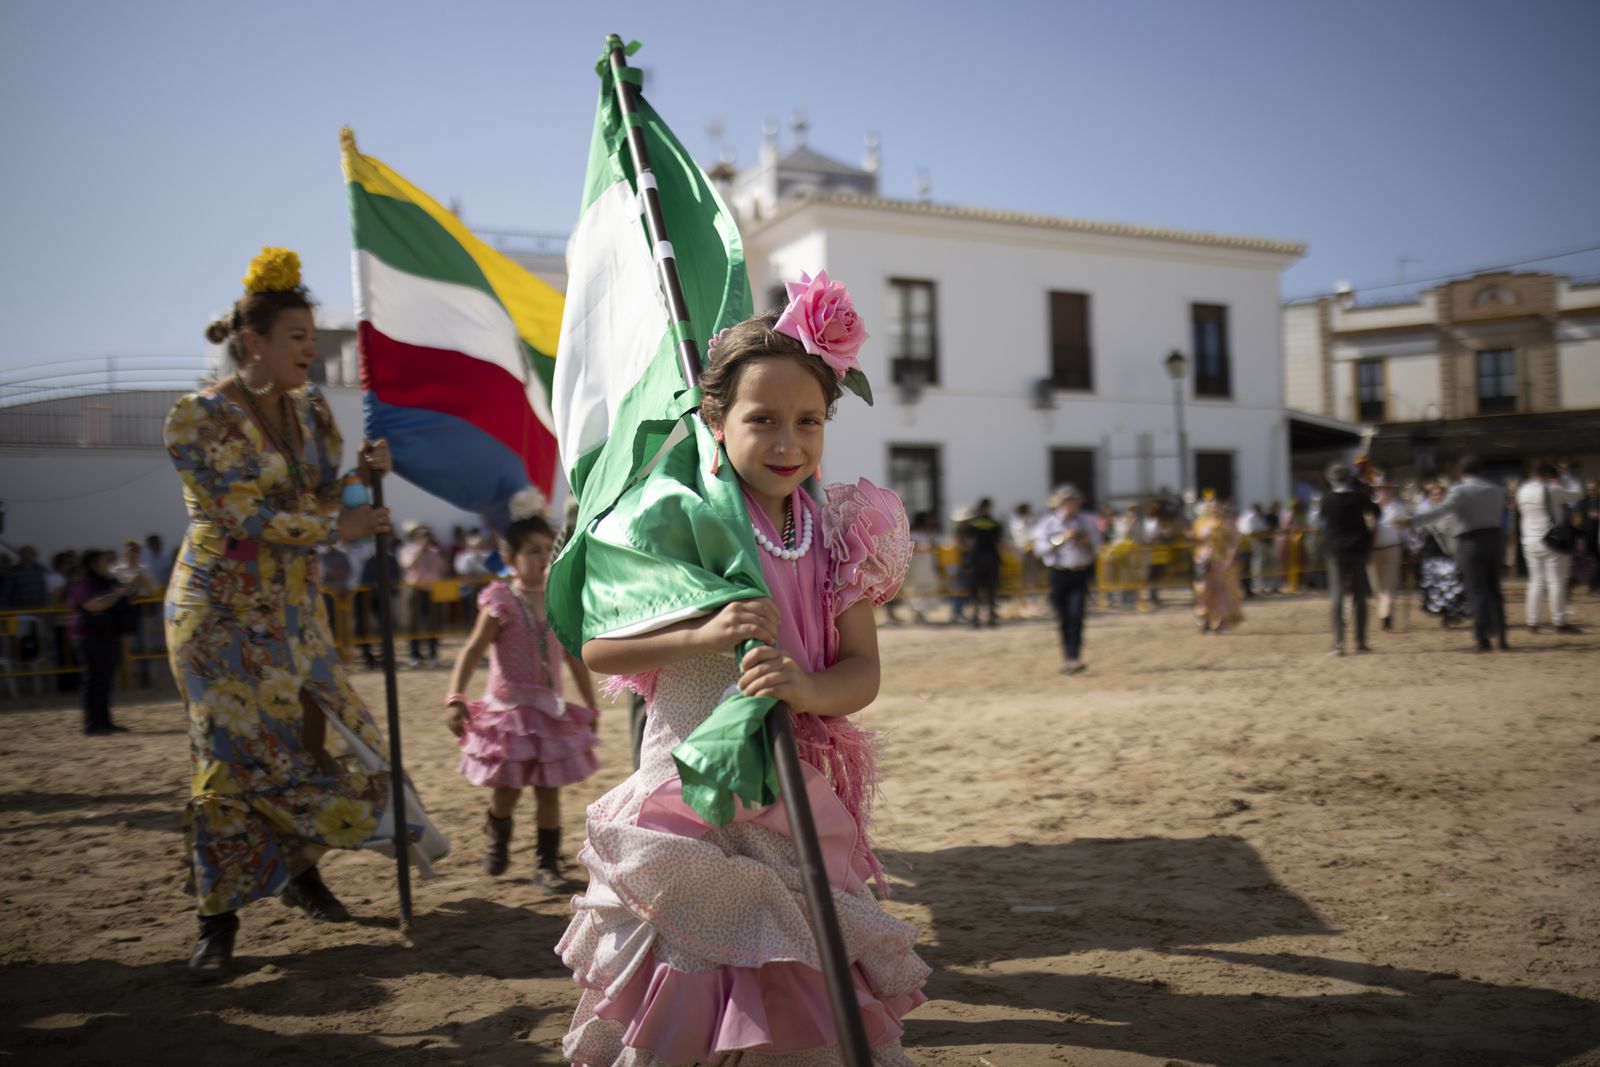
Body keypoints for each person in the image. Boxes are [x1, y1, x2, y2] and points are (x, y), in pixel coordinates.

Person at [559, 284, 926, 1062]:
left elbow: (861, 672)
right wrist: (709, 627)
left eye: (809, 421)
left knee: (799, 974)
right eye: (761, 419)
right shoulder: (674, 519)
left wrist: (805, 688)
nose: (788, 440)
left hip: (796, 793)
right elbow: (600, 651)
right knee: (692, 972)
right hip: (688, 788)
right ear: (713, 420)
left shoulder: (843, 530)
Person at [165, 247, 411, 981]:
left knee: (339, 745)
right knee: (227, 764)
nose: (311, 347)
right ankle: (218, 921)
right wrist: (339, 526)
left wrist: (364, 481)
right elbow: (233, 512)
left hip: (296, 611)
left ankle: (299, 869)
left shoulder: (311, 411)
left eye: (312, 335)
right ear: (254, 344)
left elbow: (323, 497)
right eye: (298, 336)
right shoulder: (197, 418)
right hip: (219, 617)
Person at [445, 501, 600, 890]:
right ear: (510, 559)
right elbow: (473, 650)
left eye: (548, 549)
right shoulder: (500, 601)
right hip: (510, 713)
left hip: (550, 712)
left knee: (549, 789)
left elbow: (573, 656)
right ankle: (497, 829)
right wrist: (456, 697)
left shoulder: (557, 600)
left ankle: (546, 865)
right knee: (508, 790)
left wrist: (590, 702)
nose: (542, 558)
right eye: (532, 550)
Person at [1407, 455, 1511, 652]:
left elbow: (1441, 511)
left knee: (1476, 590)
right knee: (1494, 590)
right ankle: (1501, 636)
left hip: (1471, 541)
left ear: (1461, 472)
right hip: (1495, 539)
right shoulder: (1497, 489)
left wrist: (1413, 520)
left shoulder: (1460, 490)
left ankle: (1482, 638)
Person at [67, 549, 135, 734]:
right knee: (94, 680)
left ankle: (105, 722)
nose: (111, 563)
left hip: (107, 636)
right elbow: (93, 605)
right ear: (94, 564)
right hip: (88, 637)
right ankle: (92, 724)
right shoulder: (83, 584)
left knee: (105, 680)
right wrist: (116, 593)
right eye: (106, 560)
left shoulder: (107, 582)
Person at [1035, 483, 1100, 673]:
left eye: (1075, 500)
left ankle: (1074, 656)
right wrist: (1062, 538)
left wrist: (1085, 541)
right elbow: (1041, 549)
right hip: (1059, 573)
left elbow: (1096, 546)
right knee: (1063, 616)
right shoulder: (1048, 523)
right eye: (1069, 500)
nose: (1073, 504)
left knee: (1077, 613)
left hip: (1080, 571)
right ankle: (1067, 656)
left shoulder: (1087, 520)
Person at [1318, 463, 1380, 655]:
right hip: (1359, 548)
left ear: (1331, 479)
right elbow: (1377, 513)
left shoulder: (1327, 498)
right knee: (1360, 596)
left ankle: (1338, 643)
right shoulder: (1360, 496)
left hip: (1335, 550)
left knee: (1337, 596)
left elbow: (1321, 519)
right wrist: (1364, 489)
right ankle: (1361, 642)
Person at [1515, 461, 1583, 633]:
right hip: (1551, 538)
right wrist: (1564, 478)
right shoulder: (1552, 489)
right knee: (1555, 581)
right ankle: (1559, 621)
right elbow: (1577, 495)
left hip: (1529, 539)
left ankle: (1532, 622)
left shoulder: (1521, 491)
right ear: (1548, 476)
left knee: (1535, 582)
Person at [1412, 483, 1468, 626]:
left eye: (1439, 494)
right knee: (1436, 583)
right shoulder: (1424, 511)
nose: (1437, 497)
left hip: (1448, 550)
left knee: (1451, 581)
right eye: (1434, 494)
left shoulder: (1450, 511)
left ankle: (1451, 613)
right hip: (1432, 551)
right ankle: (1444, 612)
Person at [1190, 498, 1245, 633]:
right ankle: (1203, 618)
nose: (1213, 509)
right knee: (1203, 590)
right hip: (1204, 561)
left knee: (1221, 592)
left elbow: (1233, 542)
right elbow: (1196, 541)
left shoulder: (1226, 524)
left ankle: (1219, 621)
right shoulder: (1200, 523)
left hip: (1221, 562)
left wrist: (1230, 558)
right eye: (1211, 507)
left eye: (1216, 507)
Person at [400, 521, 448, 668]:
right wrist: (420, 549)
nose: (425, 538)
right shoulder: (408, 550)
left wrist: (436, 553)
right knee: (413, 624)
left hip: (432, 590)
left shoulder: (435, 552)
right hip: (415, 590)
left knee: (434, 623)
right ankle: (415, 655)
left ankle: (433, 655)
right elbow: (408, 565)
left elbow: (443, 568)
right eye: (422, 535)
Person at [1368, 485, 1409, 632]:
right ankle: (1383, 612)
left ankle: (1386, 614)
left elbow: (1405, 528)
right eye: (1380, 489)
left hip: (1392, 547)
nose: (1383, 492)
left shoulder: (1397, 507)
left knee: (1389, 582)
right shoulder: (1369, 506)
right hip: (1373, 550)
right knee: (1376, 584)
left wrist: (1410, 544)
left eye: (1386, 489)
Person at [963, 497, 1003, 627]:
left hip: (976, 558)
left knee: (975, 588)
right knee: (991, 588)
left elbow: (968, 541)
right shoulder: (995, 522)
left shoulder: (973, 523)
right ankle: (991, 618)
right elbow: (1000, 541)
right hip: (991, 557)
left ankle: (975, 618)